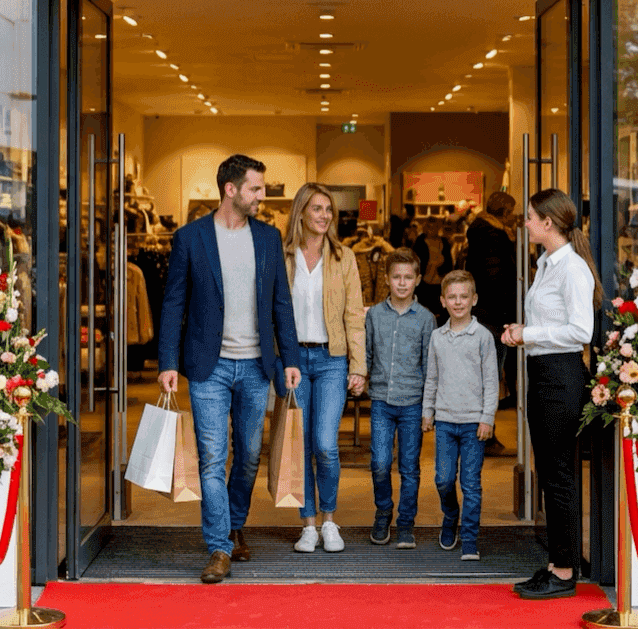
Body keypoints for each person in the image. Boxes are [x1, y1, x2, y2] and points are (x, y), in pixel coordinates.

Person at [158, 154, 302, 584]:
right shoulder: (190, 238)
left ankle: (235, 522)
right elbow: (173, 303)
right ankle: (219, 546)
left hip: (257, 366)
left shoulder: (269, 237)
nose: (262, 196)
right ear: (231, 189)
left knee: (249, 457)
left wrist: (290, 358)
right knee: (212, 458)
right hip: (209, 367)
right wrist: (168, 361)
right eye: (256, 188)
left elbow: (281, 303)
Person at [502, 188, 604, 600]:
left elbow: (581, 331)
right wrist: (524, 334)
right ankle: (557, 563)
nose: (525, 222)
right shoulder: (546, 263)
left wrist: (529, 334)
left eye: (530, 216)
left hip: (561, 376)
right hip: (544, 371)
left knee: (559, 474)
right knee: (550, 471)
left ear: (548, 222)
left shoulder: (571, 268)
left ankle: (564, 571)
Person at [283, 183, 367, 554]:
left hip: (332, 359)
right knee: (300, 445)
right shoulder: (284, 255)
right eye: (317, 208)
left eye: (328, 209)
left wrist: (358, 365)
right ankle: (308, 525)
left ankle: (330, 520)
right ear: (301, 212)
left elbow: (354, 315)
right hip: (294, 362)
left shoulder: (343, 257)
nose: (324, 215)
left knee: (325, 444)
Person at [423, 270, 498, 562]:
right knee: (443, 479)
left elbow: (491, 380)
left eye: (463, 296)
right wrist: (428, 411)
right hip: (444, 421)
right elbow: (431, 377)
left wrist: (487, 417)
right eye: (452, 297)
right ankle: (450, 513)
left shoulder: (483, 337)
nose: (458, 302)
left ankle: (469, 537)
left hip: (473, 424)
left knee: (470, 483)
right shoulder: (437, 337)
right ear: (443, 301)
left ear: (474, 299)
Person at [365, 247, 437, 549]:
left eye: (408, 277)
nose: (402, 283)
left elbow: (430, 366)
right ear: (387, 279)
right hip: (381, 400)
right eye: (397, 277)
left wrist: (429, 408)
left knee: (409, 467)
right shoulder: (374, 315)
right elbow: (368, 354)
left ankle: (406, 522)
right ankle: (383, 512)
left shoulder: (426, 319)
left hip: (412, 403)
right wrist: (359, 379)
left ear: (418, 279)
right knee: (380, 462)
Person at [467, 191, 520, 433]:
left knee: (487, 371)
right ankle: (484, 431)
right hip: (495, 312)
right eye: (512, 212)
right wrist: (508, 308)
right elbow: (495, 277)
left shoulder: (485, 232)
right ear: (504, 213)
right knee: (491, 372)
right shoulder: (493, 237)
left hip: (486, 309)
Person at [413, 217, 453, 323]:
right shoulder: (420, 242)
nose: (432, 230)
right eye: (429, 227)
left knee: (440, 313)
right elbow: (415, 263)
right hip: (424, 283)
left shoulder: (444, 242)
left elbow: (449, 263)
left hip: (440, 282)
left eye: (435, 227)